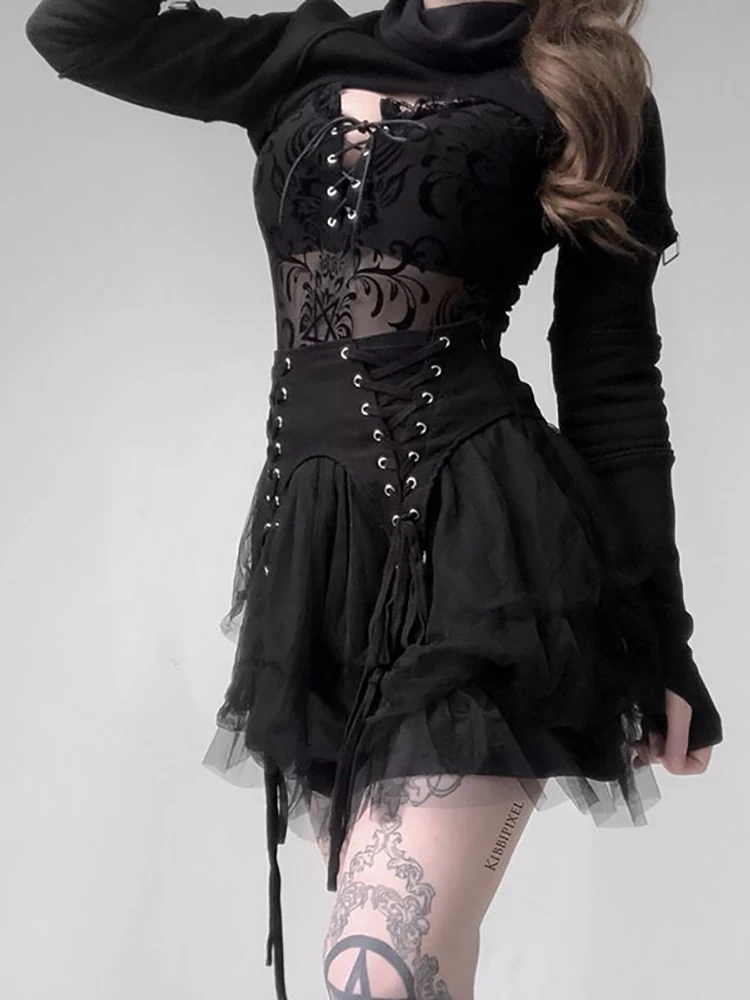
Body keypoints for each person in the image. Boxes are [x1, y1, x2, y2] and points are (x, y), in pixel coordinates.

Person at [24, 1, 724, 998]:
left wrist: (663, 631)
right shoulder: (302, 51)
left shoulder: (584, 80)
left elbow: (609, 372)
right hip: (324, 565)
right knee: (415, 976)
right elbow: (75, 29)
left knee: (382, 970)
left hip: (484, 556)